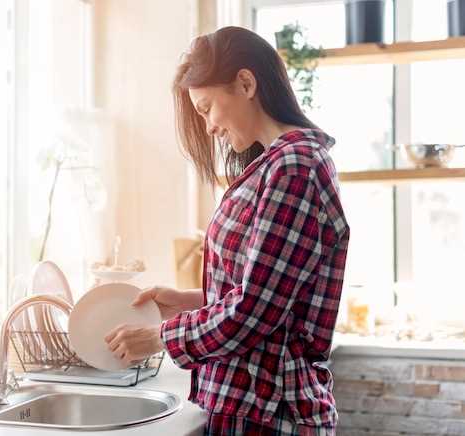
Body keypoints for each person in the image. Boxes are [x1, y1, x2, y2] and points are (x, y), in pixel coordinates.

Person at [104, 26, 350, 435]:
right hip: (254, 404)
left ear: (246, 83)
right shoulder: (277, 165)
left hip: (270, 410)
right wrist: (190, 301)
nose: (209, 128)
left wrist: (157, 337)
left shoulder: (294, 167)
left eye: (205, 109)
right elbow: (270, 297)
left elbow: (255, 311)